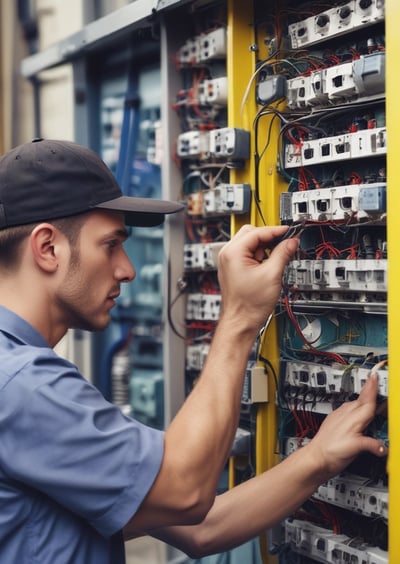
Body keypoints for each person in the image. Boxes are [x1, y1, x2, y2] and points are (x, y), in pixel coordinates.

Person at [0, 138, 386, 564]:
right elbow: (185, 493)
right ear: (48, 248)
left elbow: (201, 526)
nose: (127, 269)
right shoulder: (22, 386)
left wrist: (318, 458)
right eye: (111, 244)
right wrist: (238, 318)